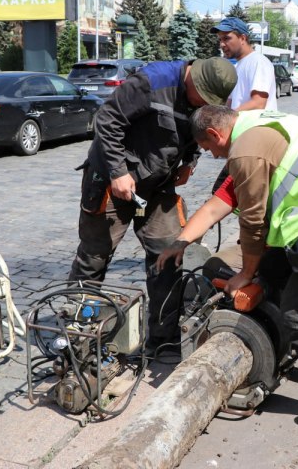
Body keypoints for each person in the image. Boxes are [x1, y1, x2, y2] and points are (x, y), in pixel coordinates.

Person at [157, 107, 298, 430]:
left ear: (214, 134)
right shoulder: (259, 123)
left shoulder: (245, 151)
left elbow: (251, 224)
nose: (213, 156)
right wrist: (181, 243)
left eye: (209, 150)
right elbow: (215, 208)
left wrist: (245, 274)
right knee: (276, 271)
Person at [68, 57, 237, 353]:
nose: (204, 105)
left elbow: (197, 132)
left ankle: (163, 338)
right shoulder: (151, 82)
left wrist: (190, 160)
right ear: (193, 79)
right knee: (94, 257)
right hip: (111, 181)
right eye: (203, 99)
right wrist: (118, 172)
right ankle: (78, 333)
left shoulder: (203, 97)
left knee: (168, 254)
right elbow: (106, 120)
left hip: (157, 187)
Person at [210, 17, 277, 110]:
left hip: (256, 124)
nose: (222, 44)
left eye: (226, 38)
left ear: (242, 38)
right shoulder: (237, 66)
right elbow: (231, 103)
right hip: (240, 124)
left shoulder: (258, 62)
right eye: (220, 40)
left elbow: (258, 104)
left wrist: (230, 118)